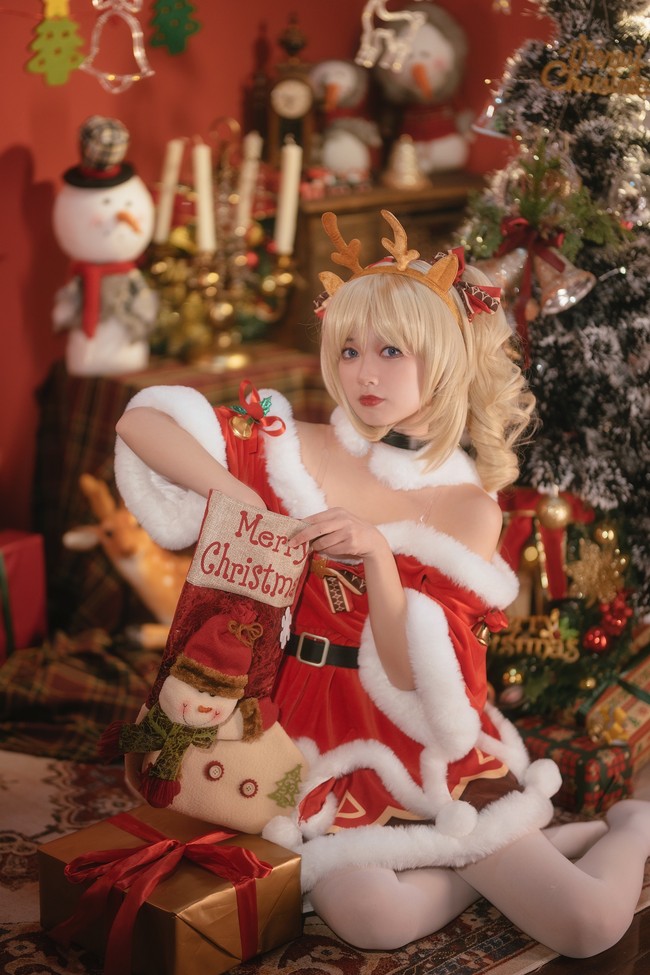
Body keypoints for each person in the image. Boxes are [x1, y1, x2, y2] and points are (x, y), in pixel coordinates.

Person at [114, 209, 650, 957]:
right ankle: (489, 860)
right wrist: (231, 492)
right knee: (370, 919)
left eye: (391, 350)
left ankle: (634, 825)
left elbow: (411, 676)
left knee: (588, 926)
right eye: (351, 349)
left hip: (412, 737)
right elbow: (143, 425)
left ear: (443, 357)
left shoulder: (465, 507)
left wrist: (375, 556)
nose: (365, 373)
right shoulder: (290, 446)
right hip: (299, 732)